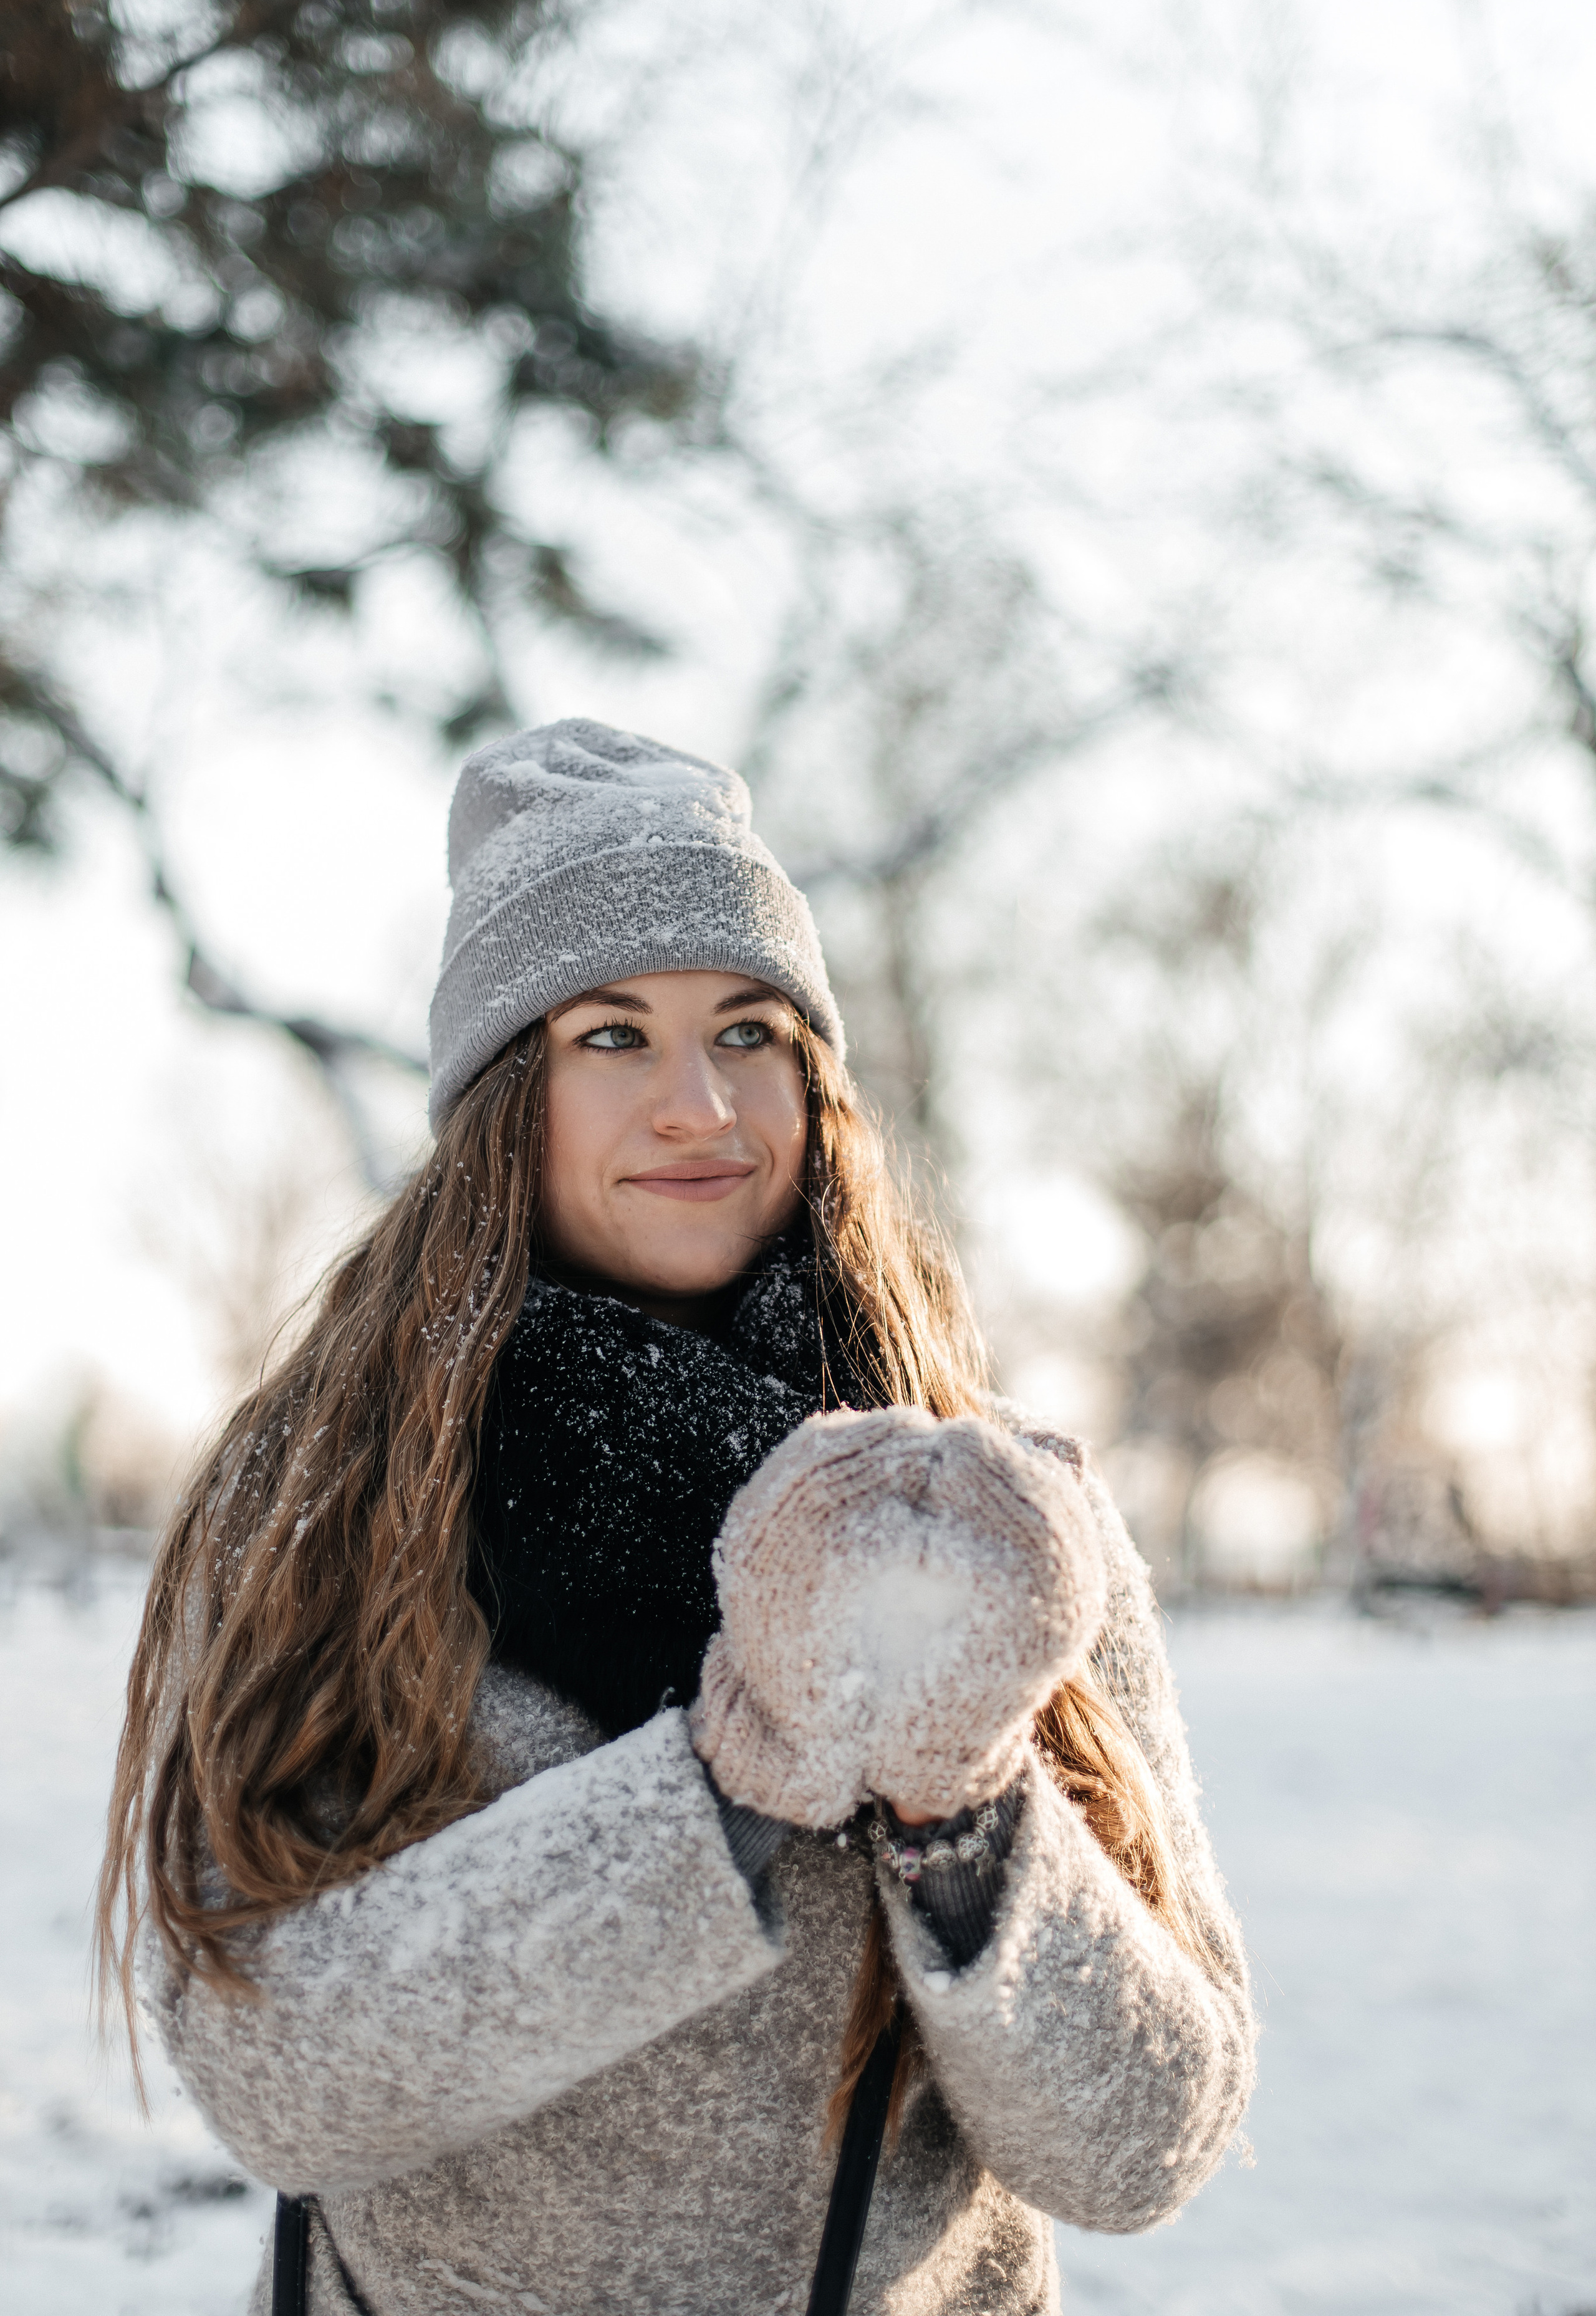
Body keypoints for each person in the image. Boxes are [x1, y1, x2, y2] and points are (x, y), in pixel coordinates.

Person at [100, 719, 1256, 2316]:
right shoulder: (325, 1503)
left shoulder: (987, 1518)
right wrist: (724, 1787)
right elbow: (269, 2070)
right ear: (504, 1096)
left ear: (812, 1077)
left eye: (747, 1031)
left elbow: (1147, 2146)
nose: (699, 1105)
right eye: (612, 1038)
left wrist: (968, 1811)